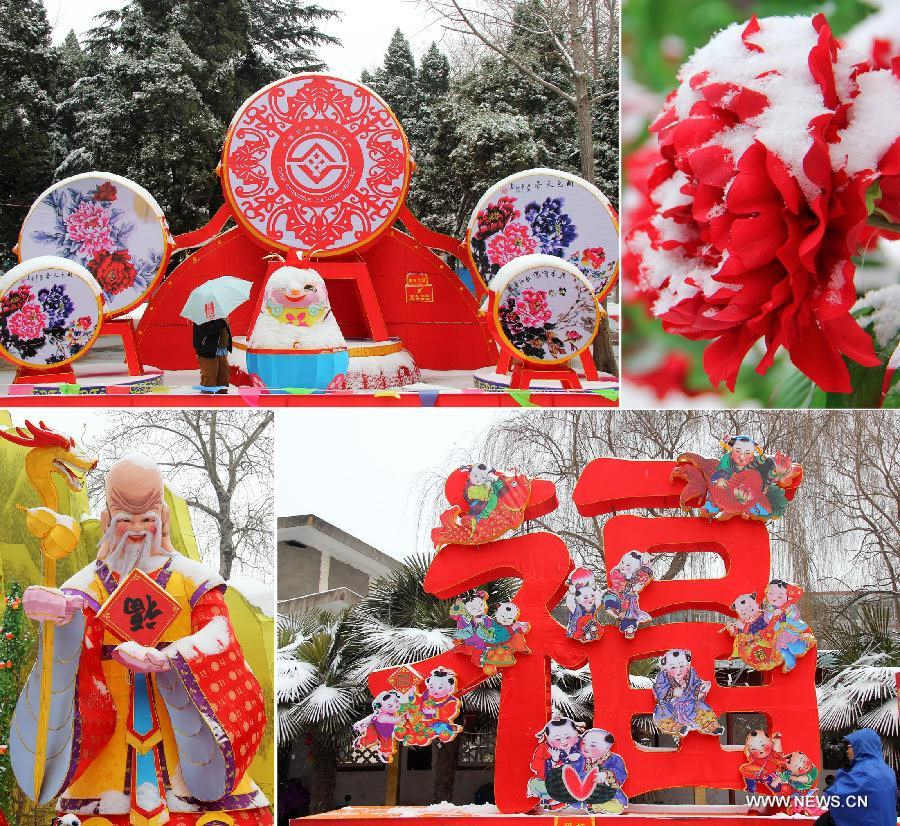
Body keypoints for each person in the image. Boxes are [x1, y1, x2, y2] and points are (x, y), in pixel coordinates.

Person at [8, 454, 271, 825]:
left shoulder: (193, 579)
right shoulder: (87, 586)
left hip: (184, 739)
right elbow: (72, 634)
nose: (135, 529)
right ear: (106, 521)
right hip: (107, 755)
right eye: (124, 520)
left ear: (161, 518)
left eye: (146, 520)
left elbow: (219, 635)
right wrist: (58, 617)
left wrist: (171, 659)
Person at [814, 729, 897, 826]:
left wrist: (842, 773)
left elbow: (834, 798)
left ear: (860, 747)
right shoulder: (888, 770)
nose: (848, 751)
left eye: (850, 746)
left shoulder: (862, 771)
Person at [192, 316, 232, 393]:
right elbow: (205, 329)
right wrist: (222, 322)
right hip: (207, 350)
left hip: (222, 350)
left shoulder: (220, 311)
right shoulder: (201, 312)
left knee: (223, 380)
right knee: (209, 380)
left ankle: (222, 402)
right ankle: (207, 402)